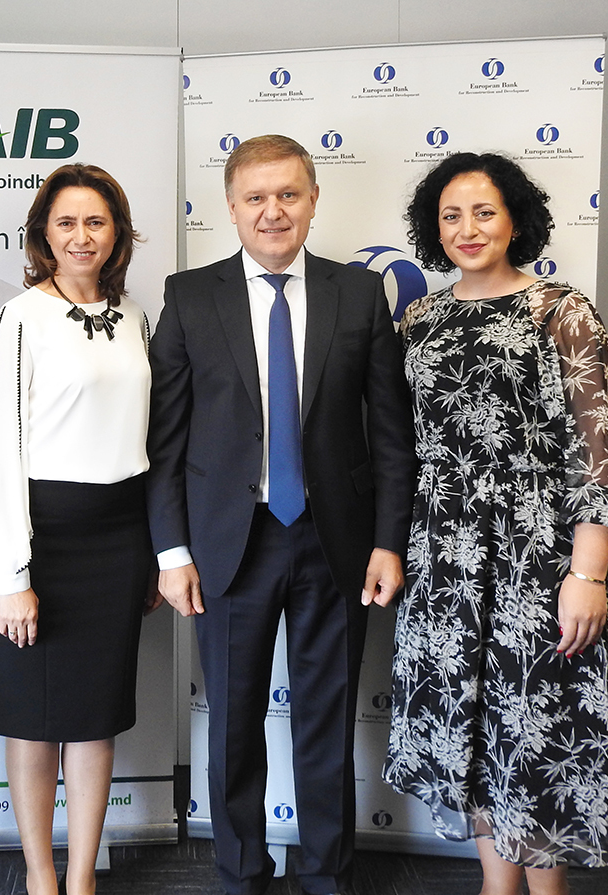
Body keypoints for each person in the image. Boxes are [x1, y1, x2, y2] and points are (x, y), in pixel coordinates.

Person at [147, 134, 416, 895]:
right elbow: (164, 439)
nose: (273, 211)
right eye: (256, 197)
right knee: (233, 724)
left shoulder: (357, 294)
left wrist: (388, 541)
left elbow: (391, 434)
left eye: (289, 194)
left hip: (336, 543)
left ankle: (326, 874)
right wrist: (171, 551)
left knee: (326, 720)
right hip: (227, 545)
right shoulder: (189, 296)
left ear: (313, 200)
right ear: (231, 208)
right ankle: (241, 874)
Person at [382, 152, 608, 895]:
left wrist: (588, 572)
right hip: (444, 561)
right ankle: (496, 887)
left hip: (539, 561)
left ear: (515, 220)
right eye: (451, 216)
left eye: (484, 212)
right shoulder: (418, 321)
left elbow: (600, 447)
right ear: (434, 229)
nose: (467, 229)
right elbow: (401, 444)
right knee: (472, 739)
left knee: (536, 735)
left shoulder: (561, 311)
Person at [0, 163, 155, 895]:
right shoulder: (21, 317)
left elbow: (148, 436)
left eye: (96, 221)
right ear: (44, 233)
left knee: (96, 715)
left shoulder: (135, 316)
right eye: (66, 222)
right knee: (34, 717)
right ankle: (41, 876)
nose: (82, 236)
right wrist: (12, 574)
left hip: (119, 537)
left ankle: (82, 880)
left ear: (117, 233)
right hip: (40, 538)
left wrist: (151, 554)